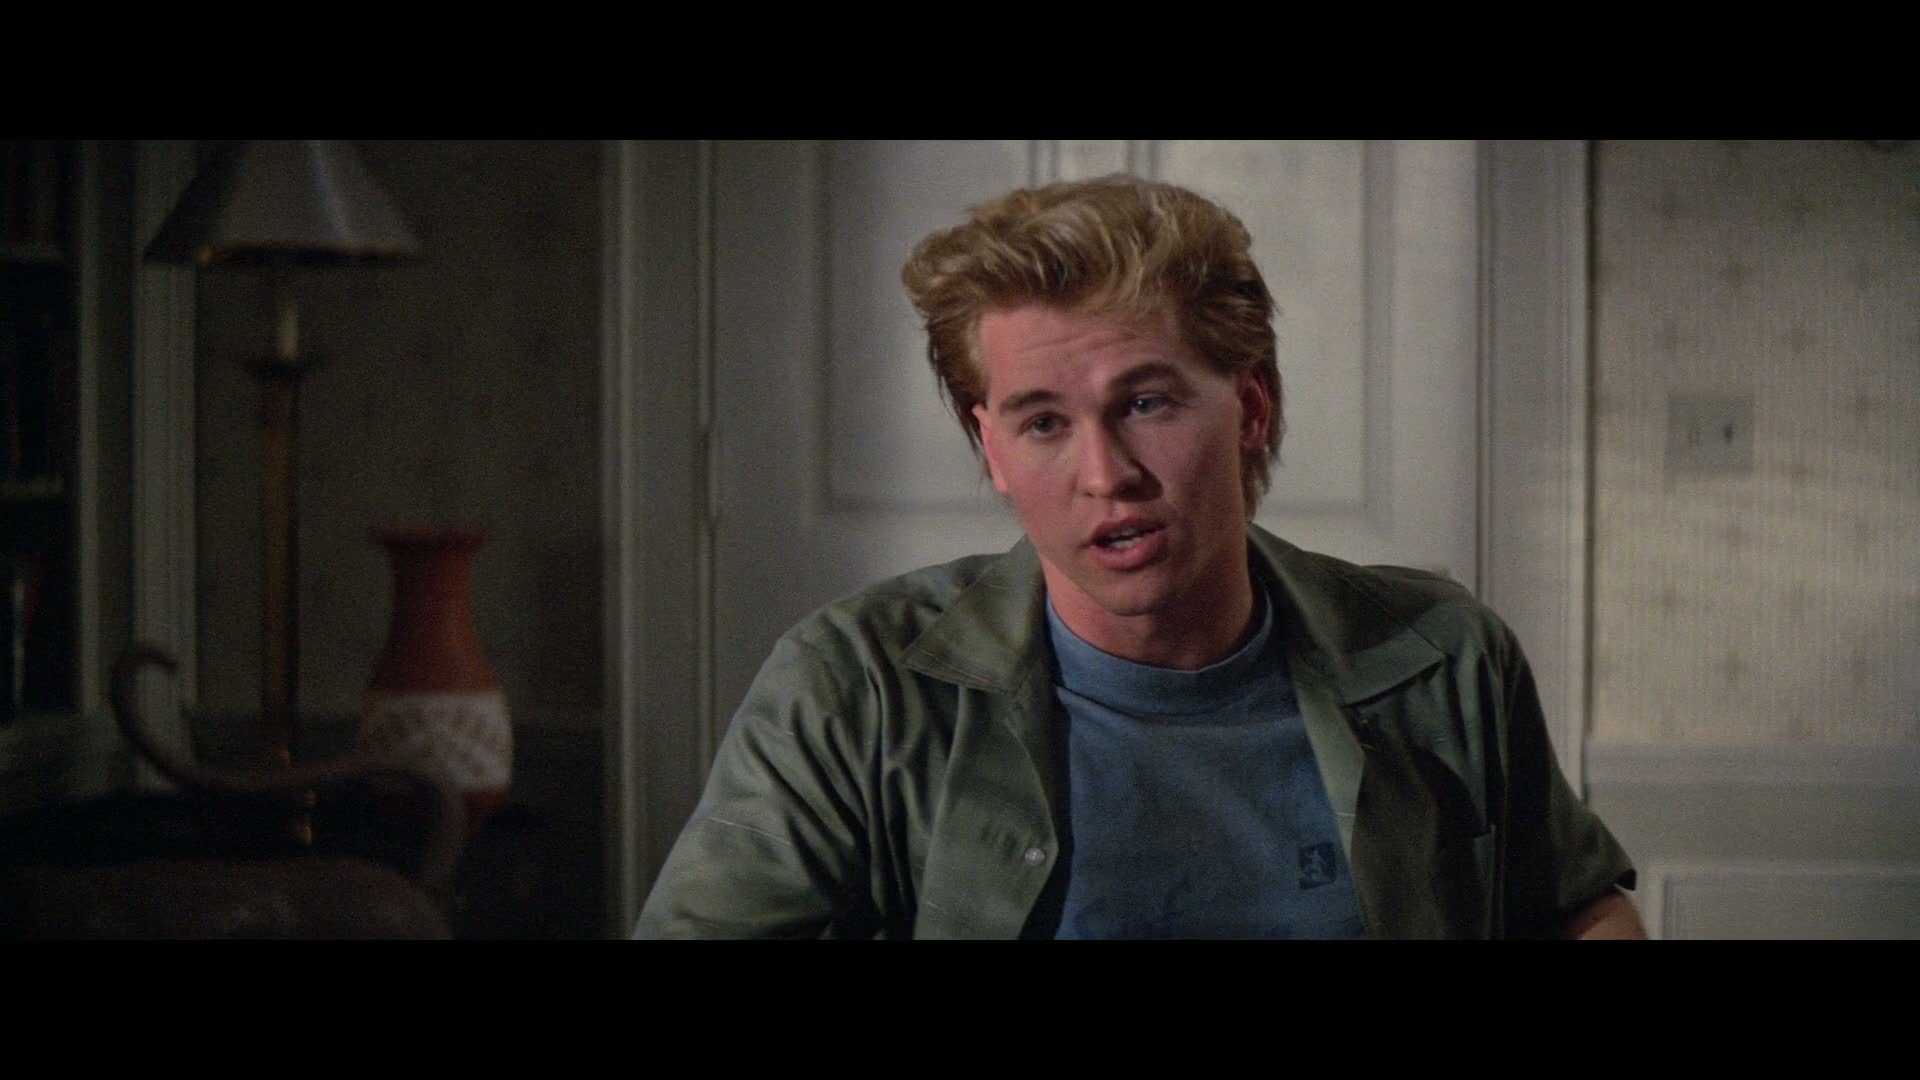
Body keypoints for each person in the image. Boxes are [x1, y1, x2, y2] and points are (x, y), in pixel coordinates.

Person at [634, 174, 1642, 939]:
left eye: (1147, 403)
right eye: (1042, 423)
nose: (1104, 473)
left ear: (1250, 408)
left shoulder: (1444, 656)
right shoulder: (852, 686)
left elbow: (1579, 908)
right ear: (992, 449)